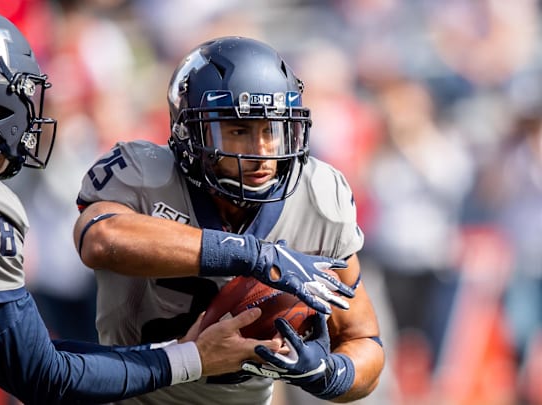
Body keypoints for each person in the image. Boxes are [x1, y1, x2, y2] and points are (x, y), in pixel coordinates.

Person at [0, 9, 283, 405]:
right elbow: (44, 378)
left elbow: (23, 359)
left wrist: (177, 354)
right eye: (22, 91)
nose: (32, 109)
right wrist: (194, 360)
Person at [74, 36, 385, 404]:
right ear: (189, 131)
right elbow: (98, 237)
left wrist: (329, 373)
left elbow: (364, 340)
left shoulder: (318, 196)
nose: (263, 152)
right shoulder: (148, 175)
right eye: (239, 131)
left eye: (272, 129)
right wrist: (251, 255)